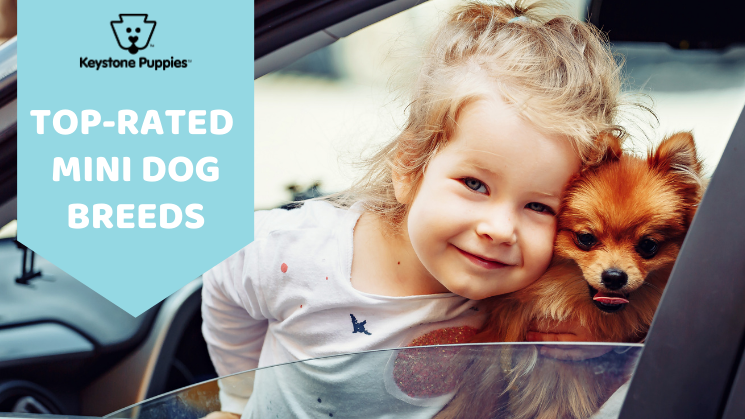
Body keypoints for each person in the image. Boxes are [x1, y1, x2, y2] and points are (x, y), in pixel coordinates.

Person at [202, 1, 633, 417]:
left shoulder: (526, 293)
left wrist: (593, 340)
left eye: (539, 206)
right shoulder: (298, 251)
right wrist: (238, 399)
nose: (500, 229)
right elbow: (224, 273)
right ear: (410, 167)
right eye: (475, 184)